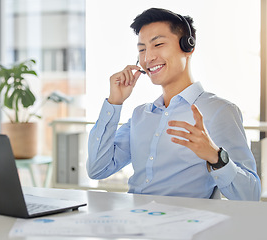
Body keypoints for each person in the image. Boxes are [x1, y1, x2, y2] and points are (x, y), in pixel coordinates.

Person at [86, 7, 261, 201]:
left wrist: (215, 156)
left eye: (158, 44)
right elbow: (97, 169)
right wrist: (114, 102)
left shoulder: (220, 111)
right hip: (135, 223)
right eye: (142, 49)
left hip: (186, 226)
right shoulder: (141, 115)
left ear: (188, 47)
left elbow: (250, 196)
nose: (147, 58)